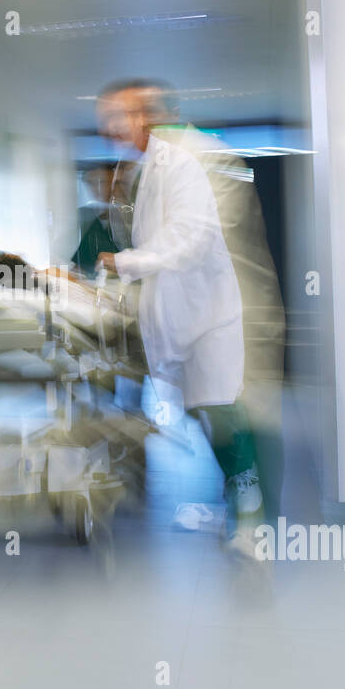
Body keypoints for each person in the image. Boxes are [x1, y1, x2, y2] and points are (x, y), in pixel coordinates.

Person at [94, 80, 264, 559]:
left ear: (142, 116)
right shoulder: (148, 168)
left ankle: (251, 524)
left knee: (225, 415)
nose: (109, 127)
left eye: (117, 116)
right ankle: (235, 507)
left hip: (208, 319)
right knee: (204, 415)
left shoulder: (181, 162)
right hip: (181, 318)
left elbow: (187, 240)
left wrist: (124, 262)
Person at [133, 80, 287, 525]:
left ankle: (253, 519)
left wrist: (138, 268)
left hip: (226, 309)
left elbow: (189, 243)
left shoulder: (196, 157)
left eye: (144, 115)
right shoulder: (163, 166)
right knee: (225, 417)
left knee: (238, 418)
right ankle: (249, 507)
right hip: (207, 310)